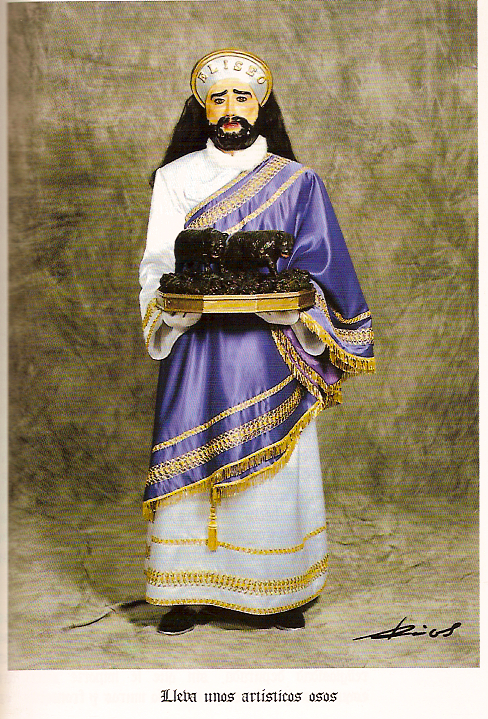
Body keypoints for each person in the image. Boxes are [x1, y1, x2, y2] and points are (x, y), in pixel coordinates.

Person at [139, 50, 374, 635]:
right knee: (192, 453)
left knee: (275, 467)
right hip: (197, 349)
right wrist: (175, 310)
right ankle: (187, 591)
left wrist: (295, 308)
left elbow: (322, 265)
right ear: (203, 109)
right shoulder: (175, 178)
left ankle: (277, 587)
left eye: (241, 98)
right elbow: (158, 263)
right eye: (218, 98)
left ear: (259, 107)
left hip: (272, 348)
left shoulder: (297, 181)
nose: (230, 109)